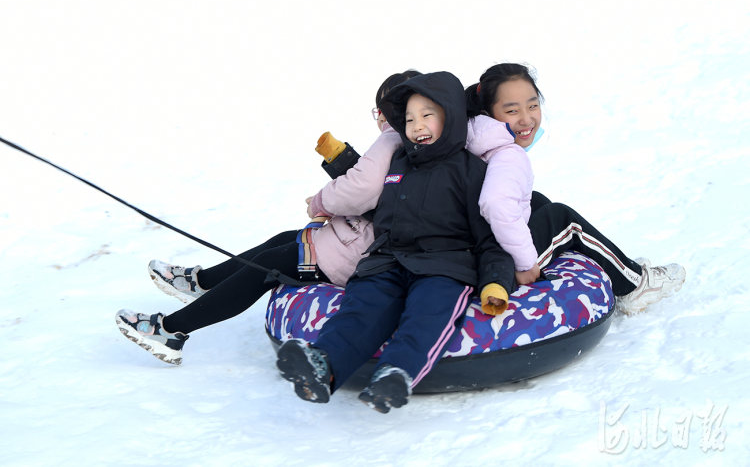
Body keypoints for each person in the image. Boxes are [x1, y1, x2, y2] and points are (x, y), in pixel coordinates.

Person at [114, 70, 422, 365]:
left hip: (361, 251)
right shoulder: (414, 142)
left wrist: (320, 203)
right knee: (285, 240)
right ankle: (202, 282)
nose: (378, 118)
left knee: (266, 267)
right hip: (362, 239)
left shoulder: (392, 139)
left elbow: (362, 189)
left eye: (380, 110)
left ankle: (170, 331)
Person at [275, 71, 515, 413]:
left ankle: (396, 373)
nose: (417, 125)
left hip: (445, 266)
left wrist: (495, 280)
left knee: (428, 314)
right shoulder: (399, 162)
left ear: (450, 115)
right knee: (361, 309)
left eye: (428, 115)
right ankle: (322, 366)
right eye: (409, 118)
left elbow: (491, 236)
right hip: (388, 260)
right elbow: (373, 203)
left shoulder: (470, 170)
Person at [465, 63, 686, 313]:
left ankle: (618, 266)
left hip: (476, 242)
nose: (526, 118)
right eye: (512, 110)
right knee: (565, 220)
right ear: (489, 112)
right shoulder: (508, 154)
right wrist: (525, 263)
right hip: (496, 261)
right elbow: (495, 203)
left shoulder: (474, 136)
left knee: (537, 202)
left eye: (532, 105)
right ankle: (635, 285)